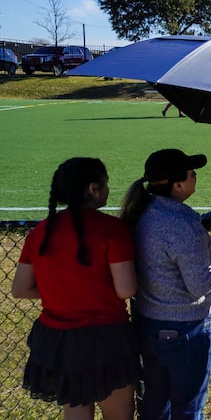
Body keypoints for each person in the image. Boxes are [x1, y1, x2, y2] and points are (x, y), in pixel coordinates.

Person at [11, 158, 139, 420]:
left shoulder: (40, 233)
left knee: (76, 413)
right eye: (106, 184)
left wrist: (62, 290)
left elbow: (21, 289)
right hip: (107, 340)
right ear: (93, 189)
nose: (107, 189)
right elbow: (126, 290)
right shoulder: (113, 230)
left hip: (59, 340)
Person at [120, 149, 211, 420]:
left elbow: (171, 239)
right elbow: (200, 283)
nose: (196, 177)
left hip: (148, 325)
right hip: (186, 332)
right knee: (188, 408)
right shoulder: (182, 225)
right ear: (178, 185)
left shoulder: (142, 211)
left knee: (155, 404)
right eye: (192, 174)